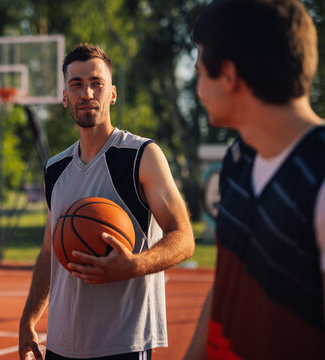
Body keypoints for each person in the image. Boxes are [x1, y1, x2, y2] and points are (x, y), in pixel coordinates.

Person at [18, 43, 195, 360]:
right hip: (61, 344)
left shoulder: (141, 155)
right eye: (76, 84)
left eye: (96, 83)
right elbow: (48, 252)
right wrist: (29, 317)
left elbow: (183, 236)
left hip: (122, 343)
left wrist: (133, 266)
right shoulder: (55, 169)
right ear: (64, 97)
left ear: (112, 93)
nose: (86, 93)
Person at [185, 0, 325, 358]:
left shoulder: (319, 177)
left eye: (201, 72)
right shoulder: (238, 159)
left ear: (229, 76)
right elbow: (225, 284)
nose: (199, 90)